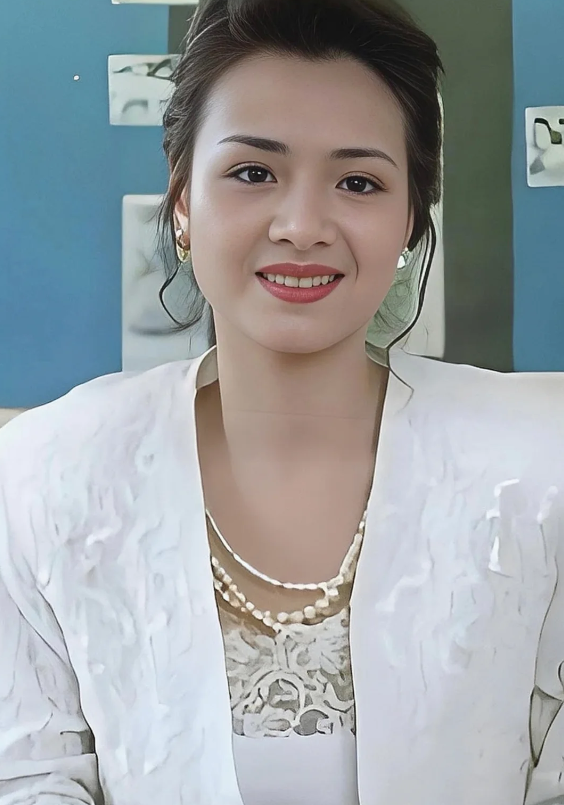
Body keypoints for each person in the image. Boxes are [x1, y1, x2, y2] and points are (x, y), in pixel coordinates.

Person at [1, 0, 564, 803]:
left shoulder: (540, 470)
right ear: (183, 202)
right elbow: (27, 778)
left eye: (358, 182)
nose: (302, 226)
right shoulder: (44, 479)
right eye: (253, 173)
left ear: (410, 219)